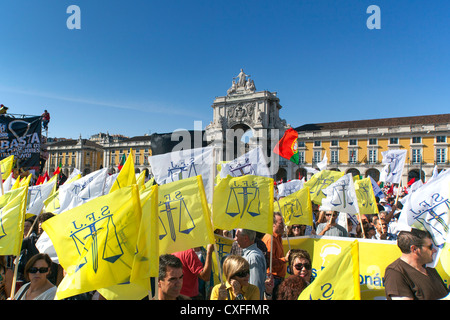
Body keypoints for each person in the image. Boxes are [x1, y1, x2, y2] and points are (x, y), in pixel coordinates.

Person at [384, 228, 449, 300]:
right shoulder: (395, 273)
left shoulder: (429, 268)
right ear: (414, 249)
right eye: (430, 247)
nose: (434, 250)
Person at [262, 212, 290, 298]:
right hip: (273, 279)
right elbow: (269, 261)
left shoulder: (278, 237)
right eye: (281, 223)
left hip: (278, 278)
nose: (283, 226)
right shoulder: (270, 239)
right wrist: (284, 259)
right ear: (273, 224)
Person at [235, 228, 267, 299]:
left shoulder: (253, 257)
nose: (235, 239)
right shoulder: (252, 255)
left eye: (237, 236)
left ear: (246, 238)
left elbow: (255, 285)